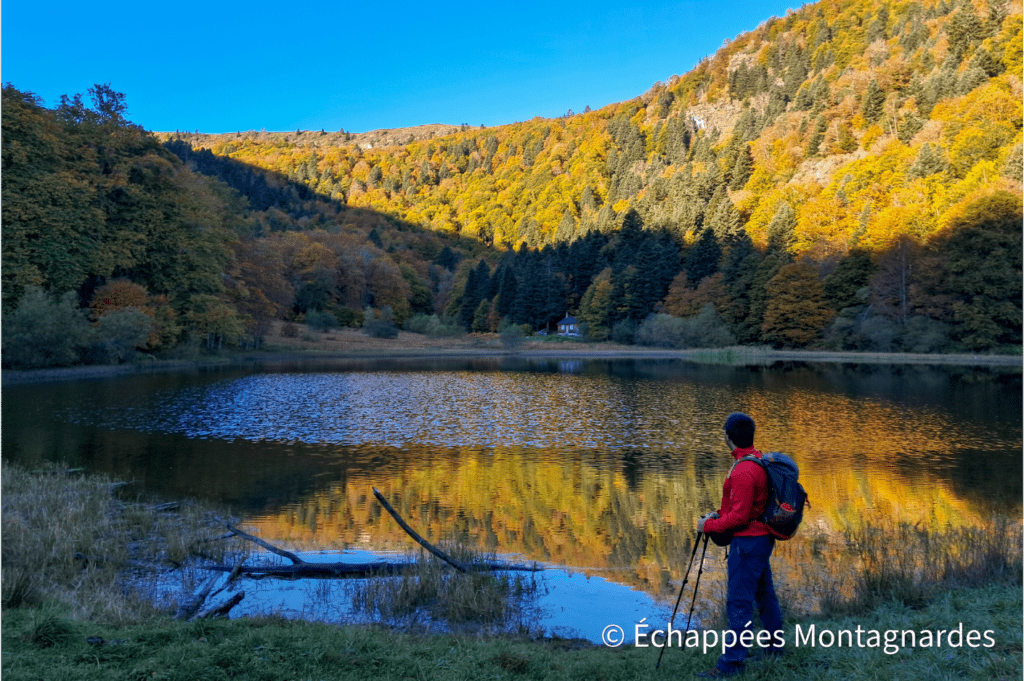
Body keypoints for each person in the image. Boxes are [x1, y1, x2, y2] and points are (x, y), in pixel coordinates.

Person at [695, 412, 783, 677]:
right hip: (760, 540)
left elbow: (741, 517)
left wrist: (707, 526)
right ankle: (774, 649)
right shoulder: (757, 460)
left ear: (728, 436)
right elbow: (744, 509)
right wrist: (718, 515)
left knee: (738, 602)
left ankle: (732, 663)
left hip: (748, 544)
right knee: (765, 595)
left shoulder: (744, 469)